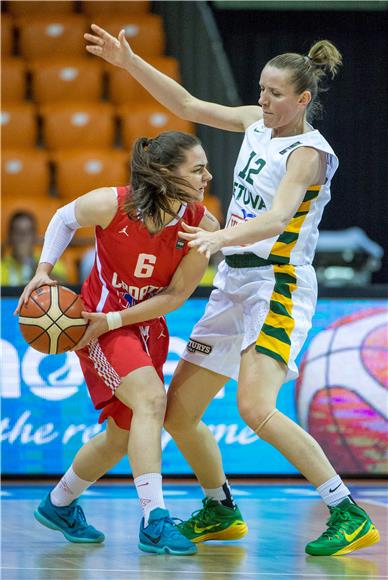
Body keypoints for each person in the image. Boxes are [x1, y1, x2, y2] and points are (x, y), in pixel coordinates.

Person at [83, 25, 381, 557]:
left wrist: (217, 236)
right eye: (261, 89)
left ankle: (345, 509)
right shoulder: (255, 123)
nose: (261, 100)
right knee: (178, 411)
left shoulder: (308, 154)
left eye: (274, 94)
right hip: (233, 283)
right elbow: (188, 102)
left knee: (256, 409)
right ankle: (220, 507)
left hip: (278, 284)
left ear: (302, 99)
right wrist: (130, 63)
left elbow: (278, 216)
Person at [15, 131, 218, 556]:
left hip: (140, 325)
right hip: (95, 326)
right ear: (165, 173)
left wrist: (118, 317)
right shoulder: (113, 202)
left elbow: (178, 295)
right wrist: (43, 270)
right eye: (197, 169)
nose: (207, 176)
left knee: (123, 436)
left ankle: (59, 503)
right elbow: (63, 217)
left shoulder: (202, 225)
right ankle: (155, 519)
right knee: (150, 401)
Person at [1, 211, 67, 286]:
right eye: (18, 232)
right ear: (10, 236)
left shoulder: (49, 260)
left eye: (28, 232)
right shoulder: (2, 264)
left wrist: (33, 265)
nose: (23, 237)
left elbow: (62, 287)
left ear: (35, 237)